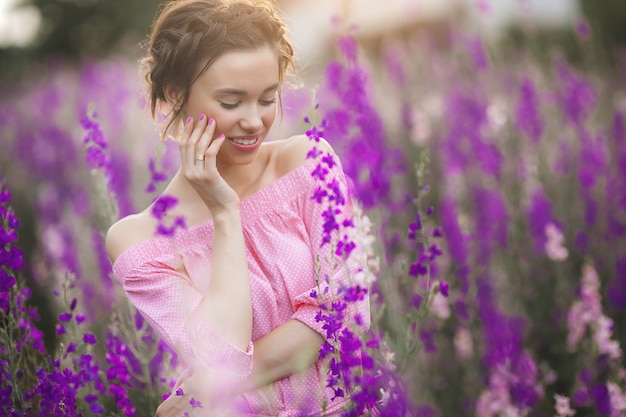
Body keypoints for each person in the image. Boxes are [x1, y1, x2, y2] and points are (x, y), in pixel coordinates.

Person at [105, 0, 371, 415]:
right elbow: (220, 356)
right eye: (231, 102)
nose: (254, 121)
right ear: (176, 94)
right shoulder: (141, 242)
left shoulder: (306, 164)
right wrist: (225, 214)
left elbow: (349, 310)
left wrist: (204, 391)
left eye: (267, 98)